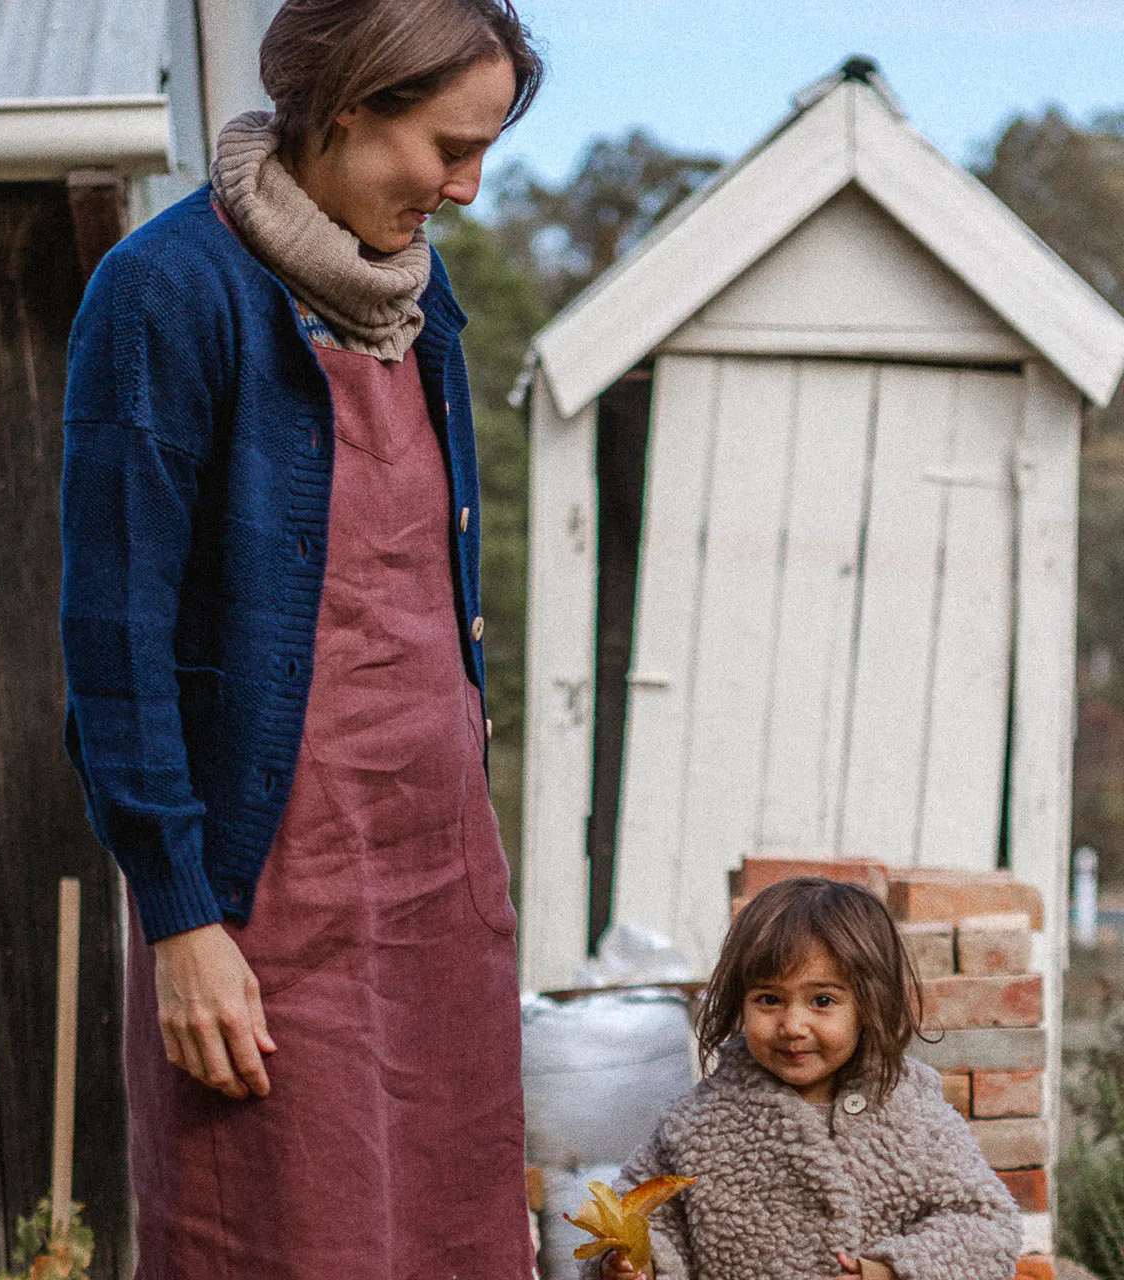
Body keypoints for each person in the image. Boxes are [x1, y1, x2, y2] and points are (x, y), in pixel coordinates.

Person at [59, 2, 543, 1275]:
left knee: (451, 1227)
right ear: (345, 110)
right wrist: (180, 918)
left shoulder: (415, 295)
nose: (466, 187)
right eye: (445, 146)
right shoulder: (168, 291)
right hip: (265, 897)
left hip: (435, 871)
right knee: (279, 1233)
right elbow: (114, 635)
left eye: (484, 149)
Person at [587, 878, 1022, 1280]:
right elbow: (635, 1217)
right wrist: (631, 1263)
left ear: (868, 1005)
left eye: (822, 1000)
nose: (793, 1025)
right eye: (769, 999)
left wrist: (889, 1271)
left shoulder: (911, 1113)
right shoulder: (698, 1124)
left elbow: (987, 1228)